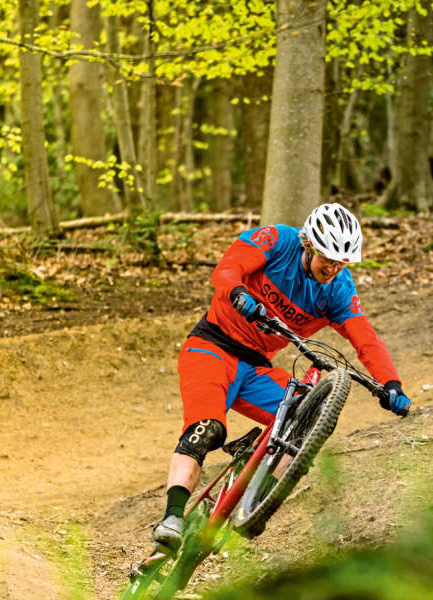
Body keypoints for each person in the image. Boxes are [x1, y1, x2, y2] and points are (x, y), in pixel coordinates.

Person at [152, 203, 412, 552]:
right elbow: (226, 270)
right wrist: (239, 293)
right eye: (327, 259)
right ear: (308, 246)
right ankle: (172, 517)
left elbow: (365, 338)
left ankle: (253, 502)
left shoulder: (338, 288)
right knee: (206, 428)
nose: (333, 268)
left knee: (302, 419)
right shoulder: (276, 239)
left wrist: (390, 383)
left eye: (341, 262)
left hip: (257, 367)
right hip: (211, 347)